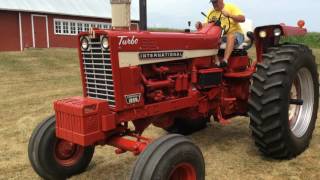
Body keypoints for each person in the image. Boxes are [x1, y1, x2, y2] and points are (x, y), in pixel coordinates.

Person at [206, 0, 246, 67]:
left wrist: (230, 15)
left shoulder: (231, 7)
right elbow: (206, 25)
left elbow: (242, 19)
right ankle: (217, 62)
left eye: (215, 2)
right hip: (221, 36)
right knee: (210, 40)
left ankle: (225, 61)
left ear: (221, 0)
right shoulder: (211, 12)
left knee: (230, 36)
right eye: (213, 2)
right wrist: (200, 25)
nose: (214, 4)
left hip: (237, 34)